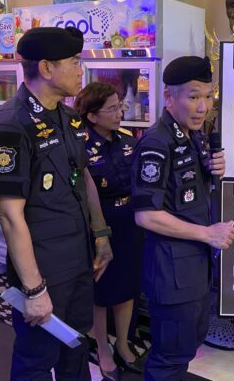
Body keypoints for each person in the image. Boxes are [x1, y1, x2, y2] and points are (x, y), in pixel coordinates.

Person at [0, 27, 113, 381]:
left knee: (75, 346)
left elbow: (83, 177)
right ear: (46, 67)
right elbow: (9, 215)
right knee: (36, 360)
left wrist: (101, 234)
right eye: (75, 61)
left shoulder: (68, 118)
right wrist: (34, 288)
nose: (81, 70)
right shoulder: (11, 125)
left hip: (78, 259)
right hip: (43, 268)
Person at [131, 56, 234, 381]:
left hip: (195, 269)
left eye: (208, 96)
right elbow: (146, 216)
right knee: (169, 358)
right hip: (172, 273)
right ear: (169, 97)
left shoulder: (192, 136)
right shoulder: (156, 142)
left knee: (186, 347)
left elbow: (186, 196)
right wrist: (208, 234)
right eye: (193, 97)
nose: (203, 107)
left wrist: (212, 172)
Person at [74, 83, 144, 380]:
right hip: (99, 225)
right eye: (112, 109)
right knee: (101, 292)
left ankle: (123, 343)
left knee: (127, 286)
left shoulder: (127, 139)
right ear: (92, 116)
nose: (119, 113)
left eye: (120, 106)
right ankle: (102, 348)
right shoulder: (80, 145)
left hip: (130, 221)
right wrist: (98, 230)